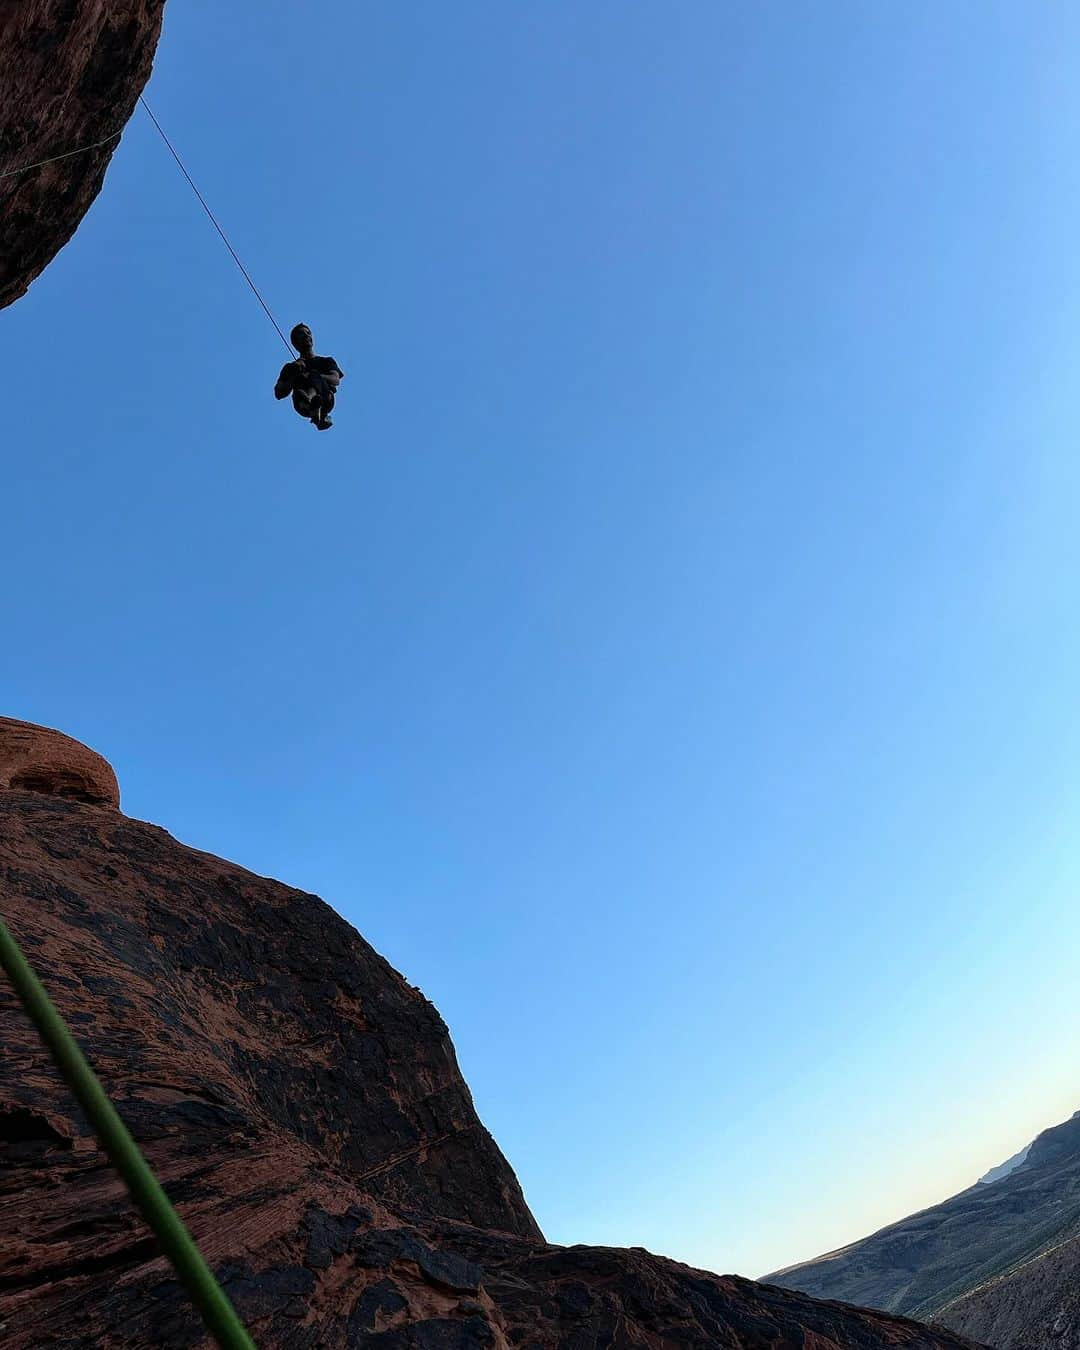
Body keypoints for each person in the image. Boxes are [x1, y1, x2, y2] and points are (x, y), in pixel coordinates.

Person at [274, 324, 344, 430]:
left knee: (313, 374)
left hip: (325, 399)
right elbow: (279, 393)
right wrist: (293, 374)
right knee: (300, 378)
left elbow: (335, 380)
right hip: (301, 404)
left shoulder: (326, 361)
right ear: (295, 343)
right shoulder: (291, 367)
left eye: (308, 333)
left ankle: (311, 402)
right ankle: (312, 407)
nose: (307, 336)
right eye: (302, 334)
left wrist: (314, 376)